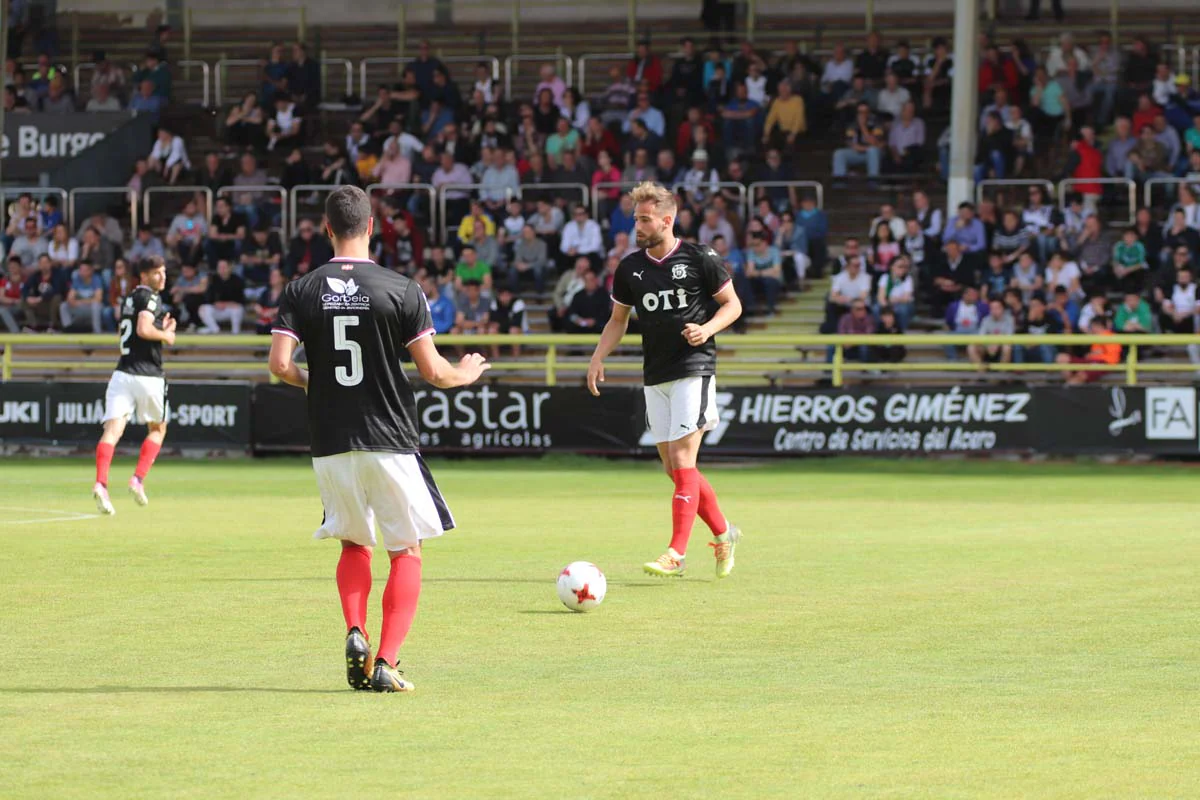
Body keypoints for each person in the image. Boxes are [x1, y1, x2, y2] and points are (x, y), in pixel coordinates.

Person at [268, 185, 490, 692]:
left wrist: (316, 382)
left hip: (330, 441)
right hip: (388, 436)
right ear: (371, 227)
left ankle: (354, 630)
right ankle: (387, 660)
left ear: (327, 229)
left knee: (352, 542)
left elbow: (280, 364)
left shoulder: (301, 289)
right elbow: (434, 372)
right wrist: (468, 371)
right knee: (406, 551)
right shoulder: (402, 288)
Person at [586, 181, 743, 579]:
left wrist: (706, 330)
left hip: (694, 368)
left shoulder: (700, 257)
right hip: (655, 374)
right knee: (674, 469)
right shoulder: (630, 268)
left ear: (666, 220)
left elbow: (733, 305)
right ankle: (724, 533)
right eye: (635, 217)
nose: (636, 225)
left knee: (684, 460)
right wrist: (598, 356)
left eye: (643, 218)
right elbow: (617, 320)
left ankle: (676, 552)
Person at [92, 256, 176, 516]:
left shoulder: (128, 298)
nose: (162, 277)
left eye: (163, 272)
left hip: (122, 374)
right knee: (158, 429)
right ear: (144, 275)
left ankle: (101, 484)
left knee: (112, 430)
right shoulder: (150, 298)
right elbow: (142, 328)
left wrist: (159, 327)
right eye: (156, 273)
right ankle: (137, 479)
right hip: (148, 375)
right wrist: (166, 335)